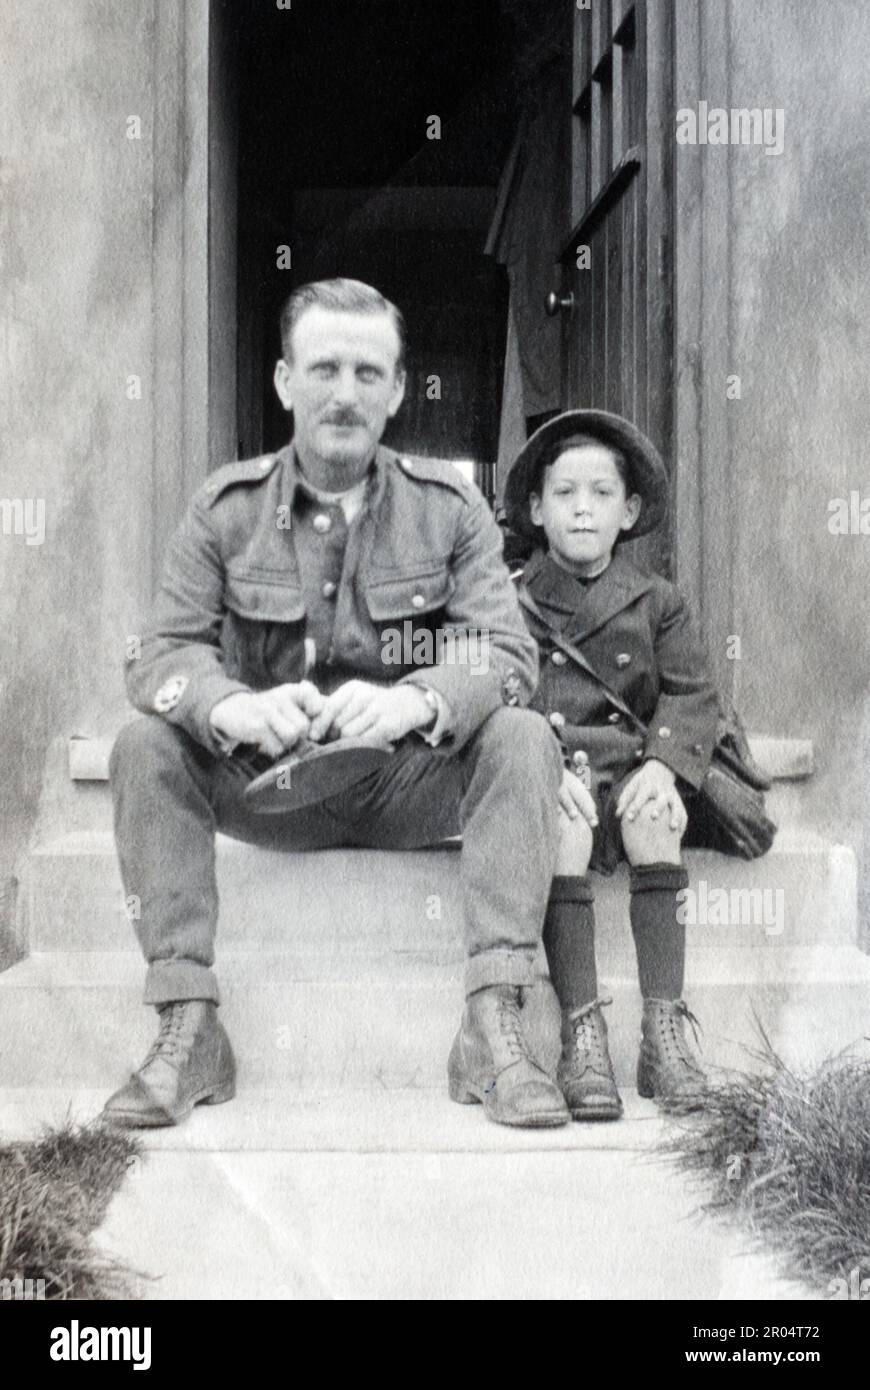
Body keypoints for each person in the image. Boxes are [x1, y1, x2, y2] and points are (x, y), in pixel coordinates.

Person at [103, 278, 569, 1131]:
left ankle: (494, 1023)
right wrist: (228, 708)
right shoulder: (223, 510)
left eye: (367, 372)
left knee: (522, 735)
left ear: (397, 391)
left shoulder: (449, 508)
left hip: (406, 784)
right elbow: (159, 655)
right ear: (285, 383)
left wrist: (415, 701)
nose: (344, 394)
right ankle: (187, 1023)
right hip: (266, 785)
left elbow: (507, 653)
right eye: (323, 369)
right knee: (144, 745)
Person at [503, 410, 721, 1119]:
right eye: (565, 494)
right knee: (562, 827)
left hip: (631, 767)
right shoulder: (514, 601)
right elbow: (502, 699)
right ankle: (581, 1033)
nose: (583, 509)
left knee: (656, 816)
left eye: (601, 494)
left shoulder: (658, 601)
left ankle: (663, 1031)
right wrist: (542, 768)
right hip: (560, 767)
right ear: (537, 509)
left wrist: (664, 765)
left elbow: (692, 693)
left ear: (628, 511)